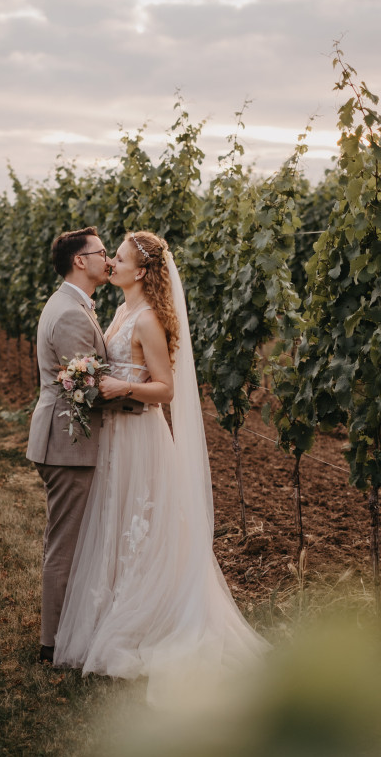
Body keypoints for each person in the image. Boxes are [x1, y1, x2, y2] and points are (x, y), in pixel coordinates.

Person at [53, 231, 267, 702]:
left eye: (121, 259)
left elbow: (165, 389)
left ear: (142, 272)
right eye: (111, 258)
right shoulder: (120, 311)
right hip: (116, 437)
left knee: (141, 525)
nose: (111, 264)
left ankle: (144, 620)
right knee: (116, 520)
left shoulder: (148, 320)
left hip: (141, 436)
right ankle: (106, 612)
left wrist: (120, 389)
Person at [26, 227, 142, 664]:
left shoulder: (73, 304)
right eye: (100, 253)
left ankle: (67, 630)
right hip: (68, 443)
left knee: (70, 538)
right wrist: (139, 399)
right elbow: (85, 388)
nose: (107, 260)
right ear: (80, 261)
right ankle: (52, 643)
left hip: (65, 438)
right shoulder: (71, 313)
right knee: (66, 543)